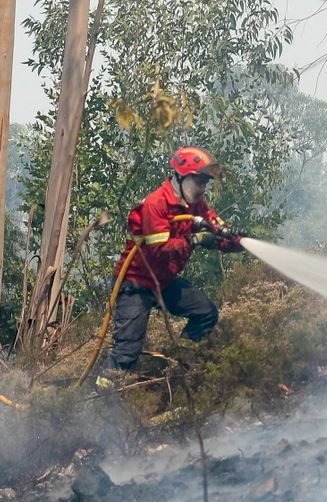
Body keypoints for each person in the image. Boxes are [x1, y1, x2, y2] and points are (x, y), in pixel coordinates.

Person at [104, 146, 243, 381]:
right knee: (127, 352)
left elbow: (216, 228)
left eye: (205, 184)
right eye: (199, 182)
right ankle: (99, 395)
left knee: (206, 313)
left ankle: (177, 368)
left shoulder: (195, 205)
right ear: (180, 178)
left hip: (164, 282)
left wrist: (240, 241)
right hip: (136, 284)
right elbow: (159, 251)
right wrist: (195, 239)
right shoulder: (155, 205)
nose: (202, 189)